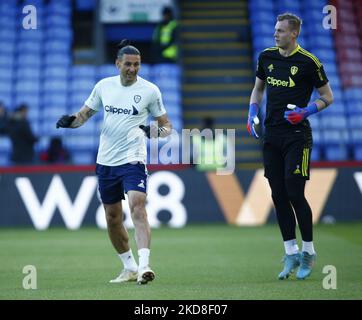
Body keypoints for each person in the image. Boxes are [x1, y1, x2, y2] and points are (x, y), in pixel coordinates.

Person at [56, 39, 172, 285]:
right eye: (128, 64)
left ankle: (144, 266)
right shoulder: (103, 87)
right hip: (106, 161)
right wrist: (70, 122)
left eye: (137, 65)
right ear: (117, 64)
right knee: (112, 217)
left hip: (133, 159)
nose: (132, 69)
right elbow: (83, 116)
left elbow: (167, 127)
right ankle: (129, 267)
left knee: (138, 207)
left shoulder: (150, 91)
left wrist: (153, 132)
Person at [247, 13, 333, 280]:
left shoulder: (309, 63)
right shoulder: (266, 57)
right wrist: (251, 112)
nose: (276, 34)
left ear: (294, 33)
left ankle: (308, 251)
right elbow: (258, 89)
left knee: (295, 193)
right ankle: (291, 252)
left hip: (297, 135)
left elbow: (327, 96)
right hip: (272, 135)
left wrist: (306, 112)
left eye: (281, 31)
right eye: (275, 30)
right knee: (278, 195)